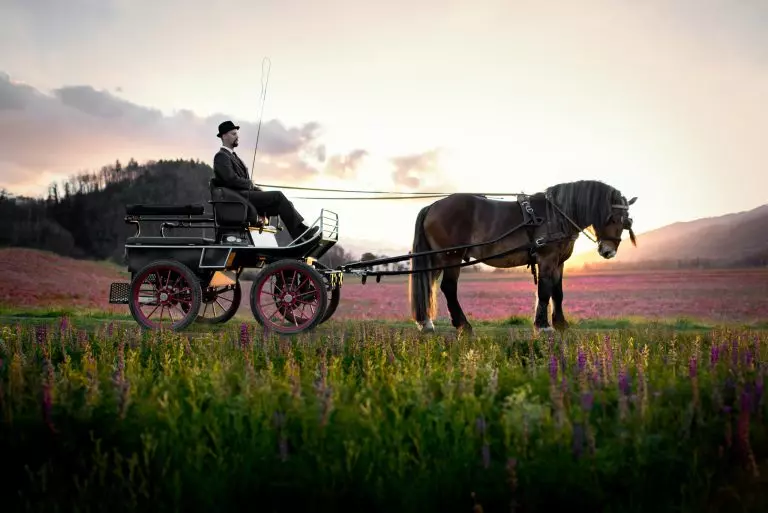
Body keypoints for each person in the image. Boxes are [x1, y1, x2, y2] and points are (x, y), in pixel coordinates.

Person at [211, 120, 319, 242]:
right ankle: (302, 232)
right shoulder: (221, 156)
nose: (237, 136)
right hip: (239, 197)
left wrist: (258, 190)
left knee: (284, 204)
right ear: (224, 136)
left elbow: (242, 180)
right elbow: (230, 179)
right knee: (278, 196)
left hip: (246, 195)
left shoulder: (233, 156)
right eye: (233, 134)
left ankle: (299, 238)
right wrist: (250, 184)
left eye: (237, 133)